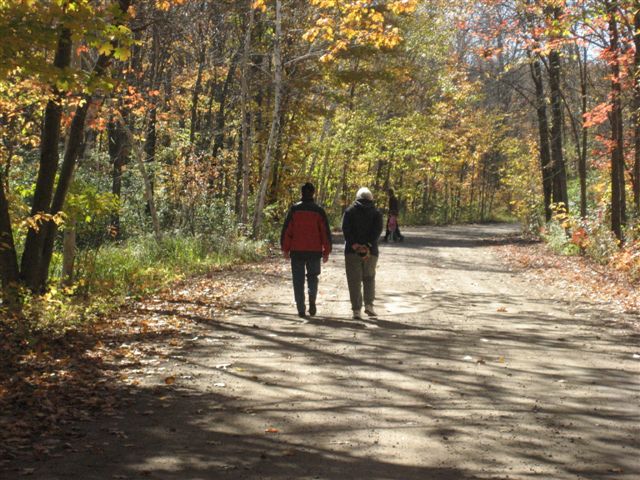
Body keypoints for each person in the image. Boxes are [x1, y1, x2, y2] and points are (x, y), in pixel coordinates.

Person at [281, 182, 332, 318]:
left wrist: (285, 249)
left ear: (301, 193)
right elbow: (325, 233)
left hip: (297, 251)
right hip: (314, 252)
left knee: (298, 280)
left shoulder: (294, 210)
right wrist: (326, 251)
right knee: (312, 277)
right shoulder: (319, 211)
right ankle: (311, 296)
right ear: (313, 193)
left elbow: (287, 231)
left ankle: (301, 309)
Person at [342, 187, 383, 320]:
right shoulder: (376, 213)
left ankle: (356, 310)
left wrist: (354, 244)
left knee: (354, 280)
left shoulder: (349, 211)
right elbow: (377, 231)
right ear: (371, 198)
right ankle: (369, 305)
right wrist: (368, 245)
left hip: (352, 252)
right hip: (371, 252)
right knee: (369, 278)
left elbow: (345, 229)